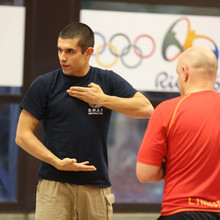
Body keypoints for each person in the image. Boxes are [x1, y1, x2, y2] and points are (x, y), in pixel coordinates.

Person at [15, 22, 154, 220]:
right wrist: (56, 162)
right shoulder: (45, 84)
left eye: (70, 51)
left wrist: (102, 100)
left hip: (96, 186)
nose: (63, 57)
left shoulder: (106, 80)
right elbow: (22, 135)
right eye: (60, 50)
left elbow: (147, 109)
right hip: (54, 185)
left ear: (88, 52)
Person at [136, 46, 220, 220]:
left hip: (180, 212)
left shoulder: (167, 110)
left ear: (185, 72)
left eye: (177, 74)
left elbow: (145, 173)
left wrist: (172, 164)